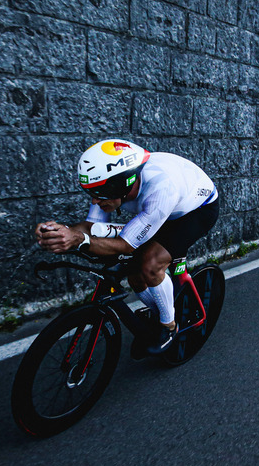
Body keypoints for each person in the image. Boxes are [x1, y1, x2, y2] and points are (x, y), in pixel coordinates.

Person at [35, 140, 219, 355]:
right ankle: (161, 310)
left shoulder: (160, 188)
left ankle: (169, 326)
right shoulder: (109, 185)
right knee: (134, 274)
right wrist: (60, 231)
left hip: (196, 210)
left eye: (99, 193)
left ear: (123, 184)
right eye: (91, 192)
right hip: (160, 208)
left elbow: (125, 245)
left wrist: (78, 240)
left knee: (151, 264)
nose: (95, 201)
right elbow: (92, 228)